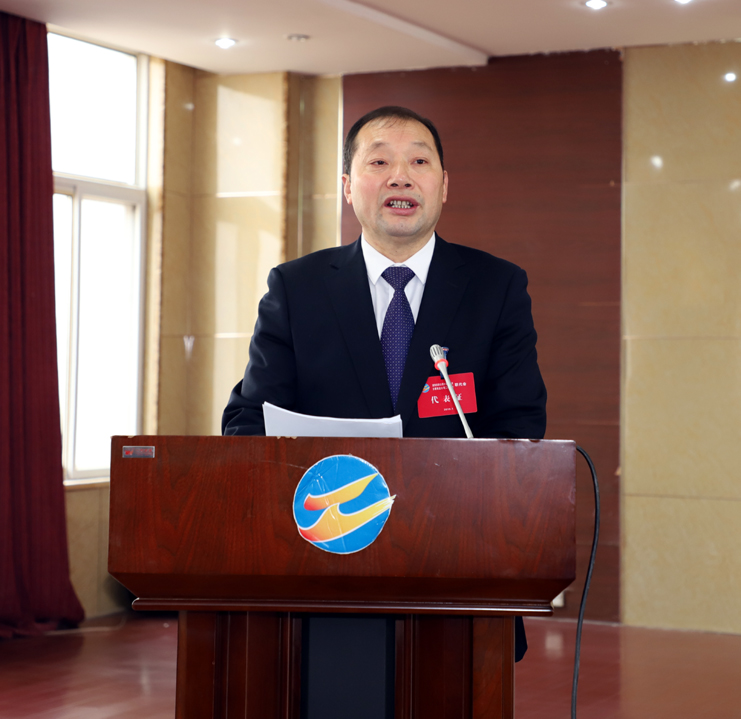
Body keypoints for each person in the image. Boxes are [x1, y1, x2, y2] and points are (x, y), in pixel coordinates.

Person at [222, 106, 547, 708]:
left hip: (455, 566)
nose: (401, 175)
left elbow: (521, 427)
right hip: (323, 565)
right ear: (349, 187)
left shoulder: (497, 286)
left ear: (444, 185)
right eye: (379, 161)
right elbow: (247, 422)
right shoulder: (297, 287)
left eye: (419, 160)